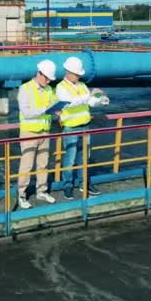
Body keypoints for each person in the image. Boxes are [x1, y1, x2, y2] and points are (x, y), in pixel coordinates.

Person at [56, 56, 110, 200]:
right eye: (77, 73)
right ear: (68, 72)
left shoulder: (82, 86)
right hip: (71, 129)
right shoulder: (61, 87)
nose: (79, 76)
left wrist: (100, 99)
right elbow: (69, 103)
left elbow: (90, 102)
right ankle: (67, 186)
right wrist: (89, 95)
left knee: (84, 158)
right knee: (70, 160)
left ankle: (83, 183)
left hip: (85, 127)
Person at [16, 59, 60, 209]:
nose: (48, 81)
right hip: (29, 133)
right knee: (26, 166)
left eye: (50, 79)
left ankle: (42, 191)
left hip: (45, 132)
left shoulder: (49, 90)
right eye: (46, 78)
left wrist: (57, 111)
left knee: (43, 164)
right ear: (39, 73)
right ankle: (21, 195)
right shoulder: (25, 89)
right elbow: (26, 113)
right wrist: (45, 109)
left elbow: (54, 106)